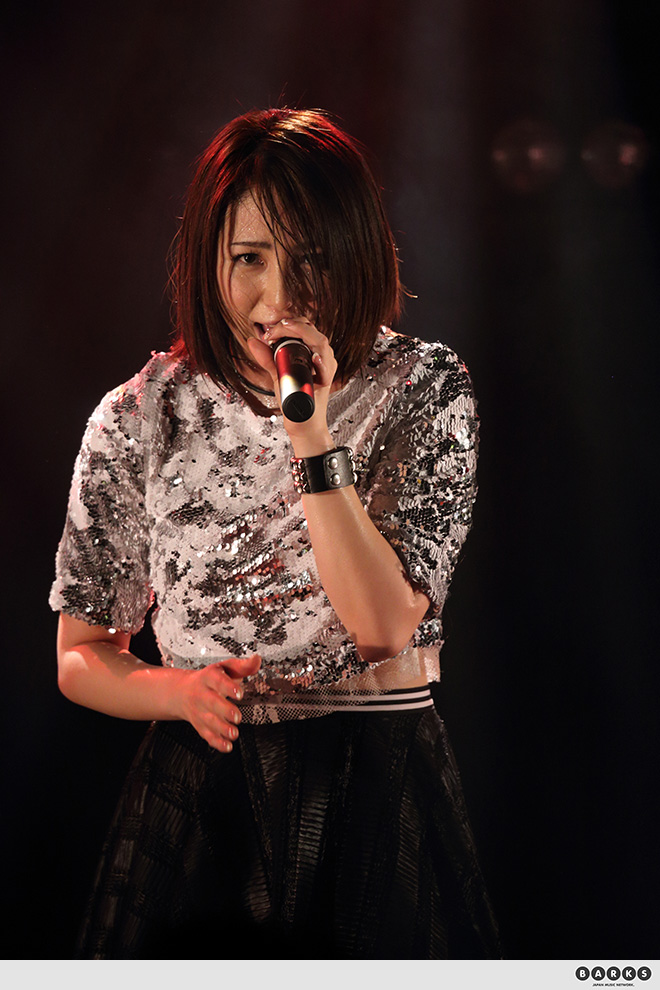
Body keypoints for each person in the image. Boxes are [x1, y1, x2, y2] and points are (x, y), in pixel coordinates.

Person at [50, 107, 501, 960]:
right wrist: (177, 693)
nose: (279, 298)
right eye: (249, 259)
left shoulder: (423, 388)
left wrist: (312, 436)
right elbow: (80, 654)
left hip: (373, 784)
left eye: (310, 260)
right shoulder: (140, 413)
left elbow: (382, 625)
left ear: (356, 252)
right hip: (202, 795)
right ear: (209, 259)